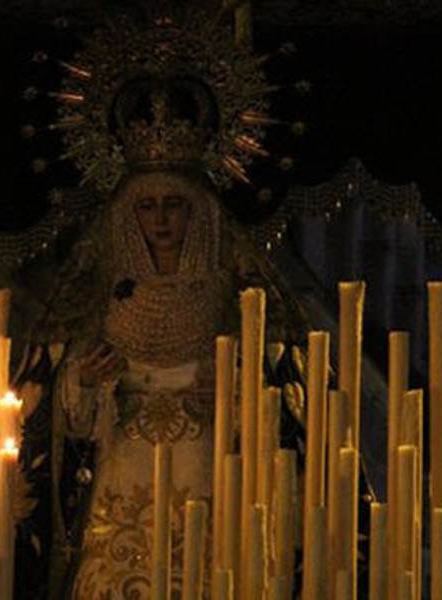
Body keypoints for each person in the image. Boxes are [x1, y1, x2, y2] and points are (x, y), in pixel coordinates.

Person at [15, 166, 310, 599]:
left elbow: (274, 399)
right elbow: (63, 417)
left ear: (198, 214)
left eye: (174, 205)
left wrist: (234, 392)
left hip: (203, 459)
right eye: (147, 207)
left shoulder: (231, 297)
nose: (160, 220)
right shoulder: (99, 298)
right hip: (125, 459)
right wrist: (85, 382)